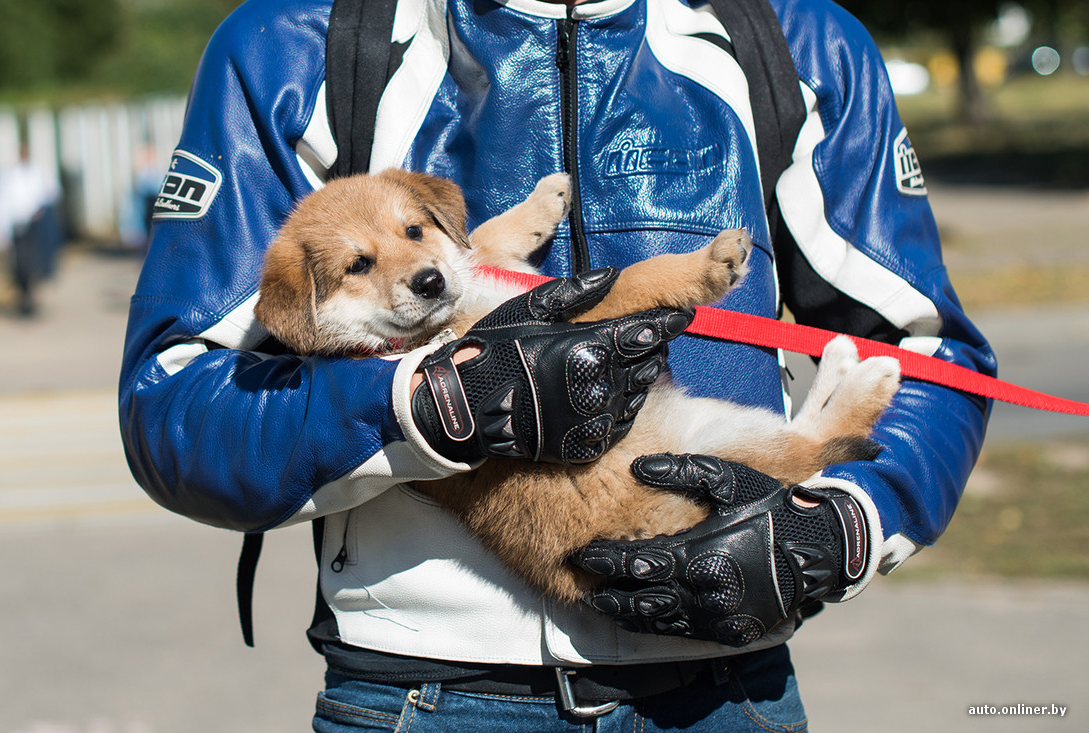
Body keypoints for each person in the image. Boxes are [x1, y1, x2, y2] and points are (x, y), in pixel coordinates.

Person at [118, 0, 995, 729]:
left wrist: (849, 524)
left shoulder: (796, 38)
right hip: (422, 687)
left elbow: (929, 349)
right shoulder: (300, 42)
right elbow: (173, 403)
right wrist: (423, 405)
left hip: (726, 687)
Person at [0, 142, 63, 316]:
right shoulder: (10, 175)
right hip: (17, 226)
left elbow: (51, 193)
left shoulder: (38, 172)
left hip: (34, 225)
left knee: (33, 262)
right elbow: (3, 203)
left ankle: (30, 295)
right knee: (20, 263)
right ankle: (24, 294)